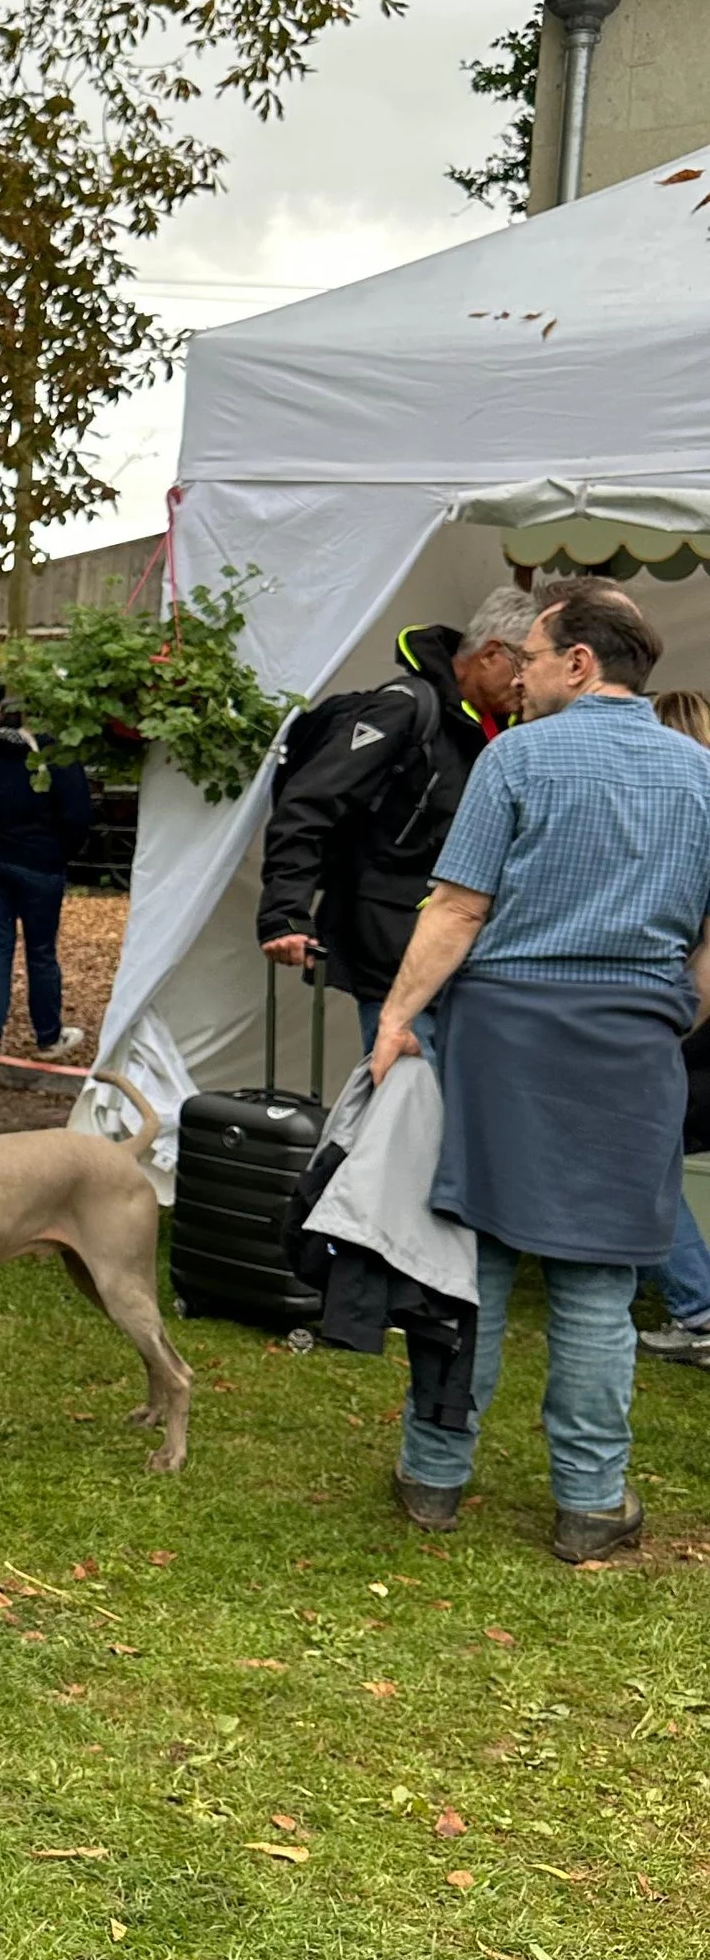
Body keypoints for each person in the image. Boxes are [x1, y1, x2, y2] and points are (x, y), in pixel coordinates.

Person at [371, 580, 710, 1563]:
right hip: (632, 1044)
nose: (515, 677)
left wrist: (394, 1017)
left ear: (578, 662)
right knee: (599, 1281)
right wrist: (671, 1014)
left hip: (503, 1039)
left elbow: (455, 909)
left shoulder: (514, 757)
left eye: (529, 658)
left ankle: (432, 1476)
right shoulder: (702, 775)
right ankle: (590, 1502)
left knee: (472, 1267)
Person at [259, 592, 537, 1043]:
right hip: (390, 948)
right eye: (525, 665)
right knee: (406, 1081)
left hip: (463, 956)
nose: (527, 683)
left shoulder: (504, 729)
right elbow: (311, 804)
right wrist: (285, 913)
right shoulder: (405, 709)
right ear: (491, 654)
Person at [0, 695, 94, 1057]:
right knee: (41, 951)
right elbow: (78, 814)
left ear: (0, 717)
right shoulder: (56, 755)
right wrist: (62, 852)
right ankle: (48, 1035)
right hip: (40, 863)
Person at [638, 685, 710, 1364]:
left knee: (641, 1158)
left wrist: (673, 1022)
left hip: (682, 1019)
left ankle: (699, 1304)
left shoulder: (682, 815)